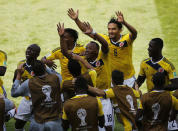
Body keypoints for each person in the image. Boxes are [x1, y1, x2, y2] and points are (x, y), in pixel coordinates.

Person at [57, 22, 113, 131]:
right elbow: (65, 52)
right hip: (91, 98)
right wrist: (62, 38)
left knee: (108, 127)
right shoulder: (83, 59)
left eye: (89, 48)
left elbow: (105, 44)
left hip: (104, 96)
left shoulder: (103, 56)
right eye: (86, 48)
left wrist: (93, 33)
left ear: (97, 51)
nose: (86, 50)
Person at [68, 8, 137, 88]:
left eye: (113, 29)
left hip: (128, 78)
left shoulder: (126, 38)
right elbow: (87, 30)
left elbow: (134, 33)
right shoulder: (105, 39)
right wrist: (76, 20)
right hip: (113, 79)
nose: (110, 31)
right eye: (109, 29)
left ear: (120, 30)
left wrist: (124, 22)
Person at [11, 60, 63, 131]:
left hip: (37, 123)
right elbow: (56, 75)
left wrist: (19, 74)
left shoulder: (29, 83)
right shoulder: (56, 78)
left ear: (32, 73)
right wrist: (46, 66)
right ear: (44, 69)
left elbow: (14, 93)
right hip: (55, 122)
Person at [12, 44, 41, 131]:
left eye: (32, 50)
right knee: (18, 124)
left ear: (37, 55)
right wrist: (18, 74)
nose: (28, 51)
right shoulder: (21, 64)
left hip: (39, 99)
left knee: (37, 125)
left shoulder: (39, 65)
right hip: (27, 99)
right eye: (28, 49)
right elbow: (15, 80)